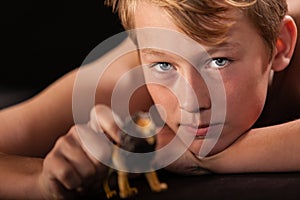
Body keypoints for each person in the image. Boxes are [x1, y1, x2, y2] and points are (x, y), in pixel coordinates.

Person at [0, 0, 299, 198]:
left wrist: (214, 159)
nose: (191, 102)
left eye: (218, 62)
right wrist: (40, 182)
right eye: (164, 66)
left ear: (281, 45)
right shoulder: (123, 79)